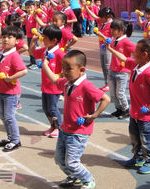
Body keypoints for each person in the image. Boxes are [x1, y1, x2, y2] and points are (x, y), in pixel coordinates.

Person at [41, 50, 110, 189]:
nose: (64, 72)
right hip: (65, 129)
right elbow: (54, 80)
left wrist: (94, 115)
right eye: (63, 68)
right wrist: (45, 65)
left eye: (69, 69)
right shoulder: (67, 83)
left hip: (79, 132)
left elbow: (105, 99)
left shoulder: (86, 86)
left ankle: (88, 179)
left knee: (72, 162)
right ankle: (74, 177)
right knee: (59, 159)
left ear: (81, 70)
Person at [108, 38, 150, 174]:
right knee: (135, 138)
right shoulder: (135, 65)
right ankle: (138, 157)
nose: (133, 52)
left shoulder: (148, 73)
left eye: (136, 50)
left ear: (145, 54)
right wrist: (110, 49)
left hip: (145, 116)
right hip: (134, 113)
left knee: (146, 139)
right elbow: (123, 58)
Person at [0, 26, 28, 152]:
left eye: (10, 37)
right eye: (4, 37)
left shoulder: (14, 55)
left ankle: (15, 140)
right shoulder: (1, 53)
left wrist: (10, 78)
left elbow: (24, 70)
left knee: (9, 117)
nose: (6, 40)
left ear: (17, 41)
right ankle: (10, 138)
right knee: (3, 116)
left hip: (11, 92)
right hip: (2, 90)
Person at [30, 25, 65, 138]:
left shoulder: (59, 53)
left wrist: (58, 76)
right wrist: (33, 42)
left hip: (54, 86)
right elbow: (32, 52)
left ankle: (59, 127)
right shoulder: (45, 51)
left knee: (52, 108)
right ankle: (53, 125)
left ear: (54, 40)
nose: (42, 39)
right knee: (46, 108)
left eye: (45, 38)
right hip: (45, 85)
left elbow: (66, 69)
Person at [105, 18, 135, 120]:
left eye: (114, 30)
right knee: (113, 94)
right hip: (112, 70)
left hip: (122, 72)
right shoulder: (114, 40)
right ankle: (118, 109)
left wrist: (129, 61)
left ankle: (126, 109)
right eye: (111, 29)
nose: (112, 31)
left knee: (120, 93)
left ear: (122, 30)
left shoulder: (126, 41)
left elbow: (135, 51)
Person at [92, 7, 114, 91]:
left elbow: (111, 40)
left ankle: (110, 84)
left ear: (107, 17)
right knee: (103, 66)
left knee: (108, 66)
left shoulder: (112, 25)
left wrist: (101, 35)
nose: (100, 19)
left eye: (101, 17)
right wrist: (87, 8)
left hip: (109, 48)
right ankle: (106, 83)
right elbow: (94, 16)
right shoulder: (103, 23)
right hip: (102, 47)